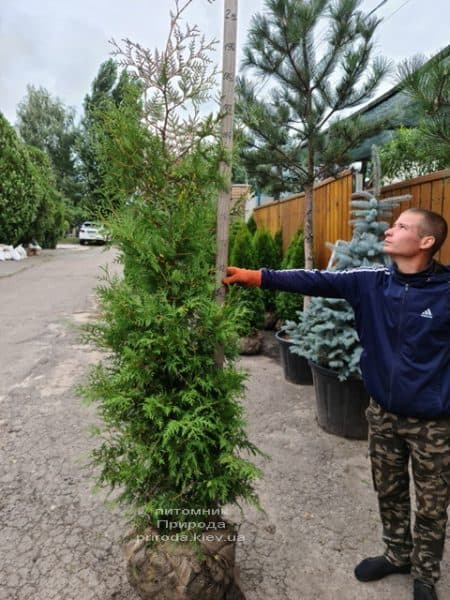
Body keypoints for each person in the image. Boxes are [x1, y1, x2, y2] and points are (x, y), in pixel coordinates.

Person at [223, 208, 449, 600]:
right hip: (382, 413)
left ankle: (426, 575)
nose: (390, 231)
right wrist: (256, 277)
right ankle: (397, 554)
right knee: (389, 490)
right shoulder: (370, 282)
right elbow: (315, 278)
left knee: (432, 505)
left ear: (426, 242)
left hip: (434, 423)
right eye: (392, 225)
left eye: (401, 227)